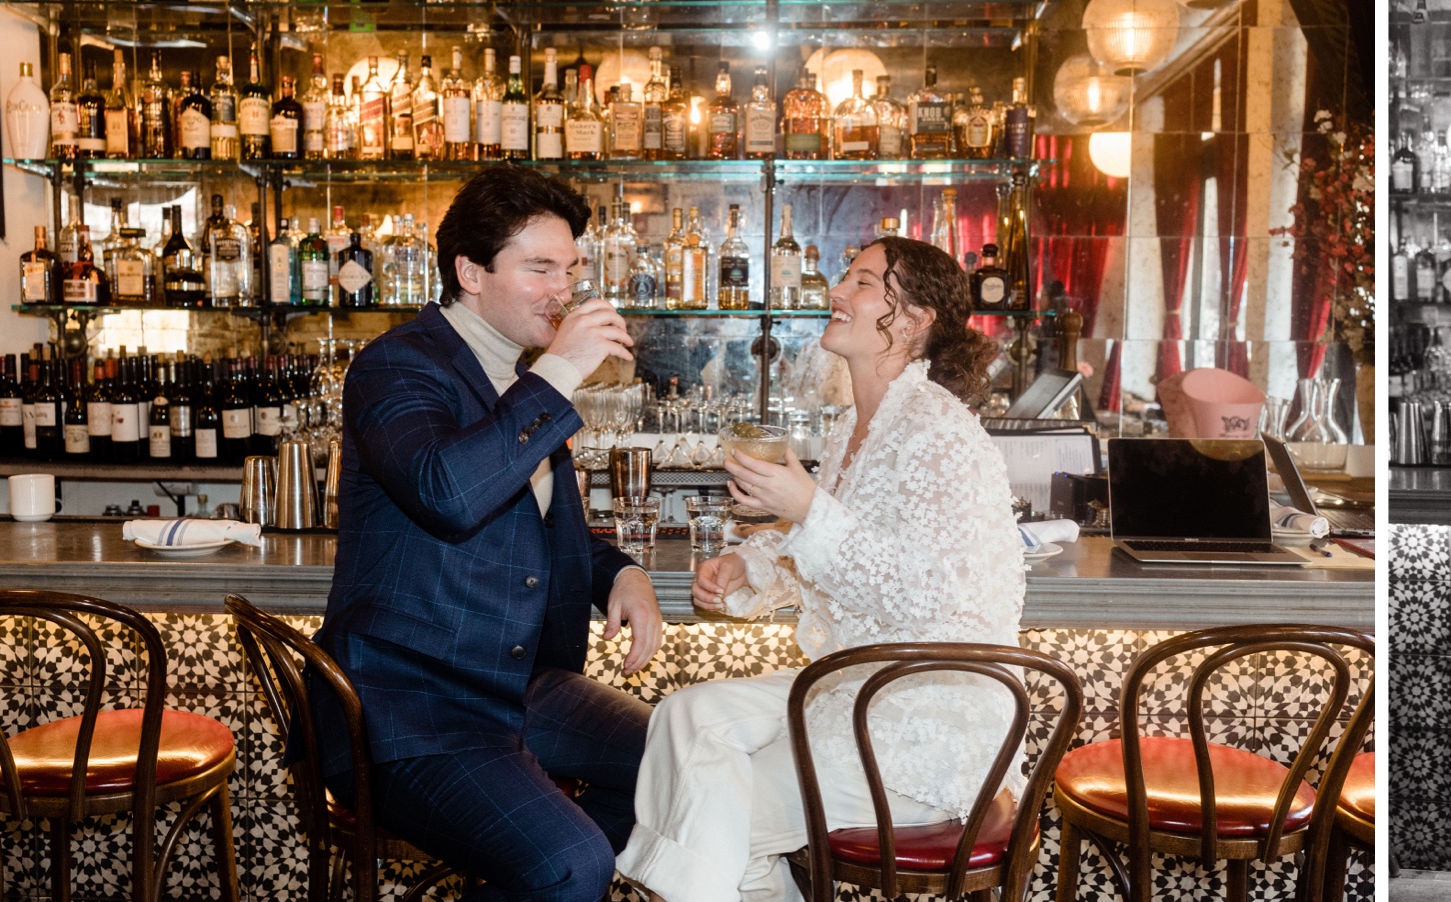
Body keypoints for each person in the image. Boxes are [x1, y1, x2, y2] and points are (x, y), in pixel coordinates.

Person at [615, 237, 1025, 902]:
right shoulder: (849, 429)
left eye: (864, 282)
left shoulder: (941, 433)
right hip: (848, 684)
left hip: (918, 719)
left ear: (917, 319)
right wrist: (746, 569)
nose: (837, 291)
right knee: (683, 716)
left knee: (713, 820)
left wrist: (807, 507)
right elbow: (828, 549)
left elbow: (926, 598)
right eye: (846, 276)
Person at [311, 166, 664, 902]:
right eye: (538, 268)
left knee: (676, 761)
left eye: (569, 270)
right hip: (410, 709)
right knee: (570, 863)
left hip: (518, 689)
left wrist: (620, 573)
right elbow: (449, 491)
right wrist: (564, 367)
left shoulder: (519, 376)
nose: (563, 291)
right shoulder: (397, 365)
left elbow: (533, 523)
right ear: (470, 271)